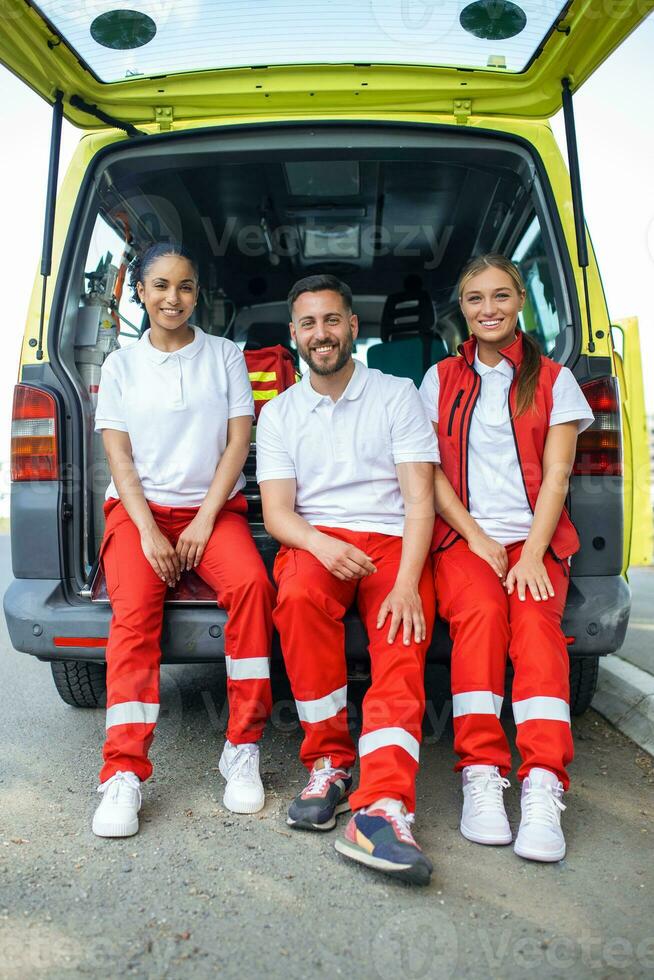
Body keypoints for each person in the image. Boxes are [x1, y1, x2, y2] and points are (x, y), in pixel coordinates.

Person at [256, 274, 439, 885]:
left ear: (353, 326)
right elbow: (279, 512)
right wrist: (320, 544)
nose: (321, 334)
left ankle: (382, 805)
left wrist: (409, 581)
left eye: (332, 320)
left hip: (393, 541)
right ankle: (329, 763)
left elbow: (419, 502)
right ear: (293, 335)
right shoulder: (279, 413)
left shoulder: (397, 395)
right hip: (317, 539)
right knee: (299, 596)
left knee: (401, 633)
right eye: (308, 324)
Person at [92, 243, 275, 837]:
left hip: (211, 511)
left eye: (187, 287)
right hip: (138, 513)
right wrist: (148, 531)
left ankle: (242, 747)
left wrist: (202, 520)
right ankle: (123, 772)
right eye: (162, 286)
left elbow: (237, 444)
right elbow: (119, 458)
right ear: (140, 293)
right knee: (135, 616)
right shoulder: (120, 366)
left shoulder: (224, 355)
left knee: (252, 586)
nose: (175, 298)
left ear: (199, 293)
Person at [419, 253, 594, 862]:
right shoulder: (439, 379)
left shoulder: (553, 380)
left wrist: (530, 555)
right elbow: (430, 476)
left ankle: (543, 781)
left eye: (500, 296)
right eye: (474, 299)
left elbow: (558, 475)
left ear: (520, 301)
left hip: (536, 542)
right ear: (461, 311)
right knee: (481, 626)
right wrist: (476, 539)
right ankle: (482, 774)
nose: (488, 309)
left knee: (538, 635)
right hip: (467, 539)